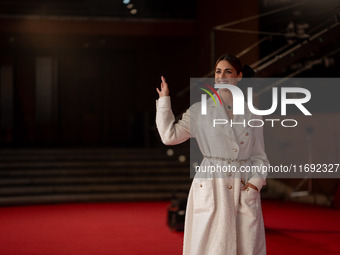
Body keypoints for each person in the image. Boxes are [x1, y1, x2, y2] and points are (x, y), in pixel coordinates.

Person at [155, 54, 268, 255]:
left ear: (239, 76)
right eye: (218, 72)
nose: (221, 76)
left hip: (243, 186)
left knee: (246, 246)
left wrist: (254, 185)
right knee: (210, 246)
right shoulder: (200, 111)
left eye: (228, 71)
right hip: (212, 184)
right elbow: (169, 136)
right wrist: (164, 102)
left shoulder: (253, 113)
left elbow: (259, 156)